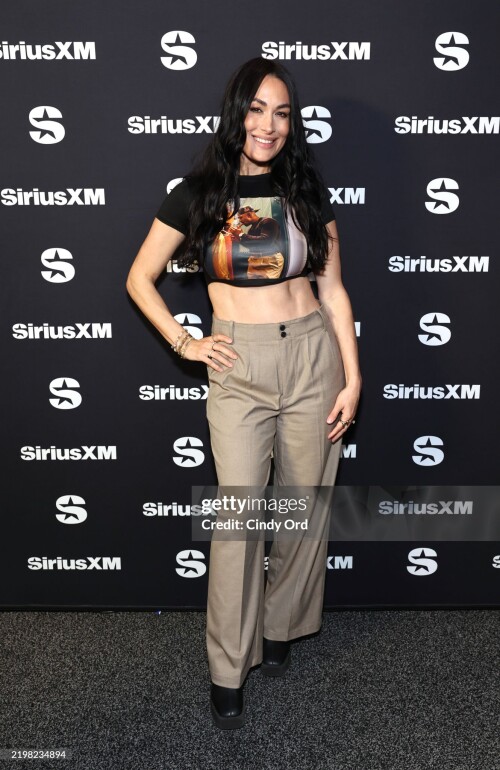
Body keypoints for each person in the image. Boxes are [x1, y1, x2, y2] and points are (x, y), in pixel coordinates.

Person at [126, 57, 361, 730]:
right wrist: (185, 342)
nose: (269, 125)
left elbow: (334, 291)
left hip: (313, 356)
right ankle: (229, 666)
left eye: (282, 113)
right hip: (238, 367)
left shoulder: (307, 190)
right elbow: (139, 278)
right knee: (238, 521)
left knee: (302, 507)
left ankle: (283, 626)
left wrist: (353, 374)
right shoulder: (199, 192)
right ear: (237, 114)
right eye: (257, 110)